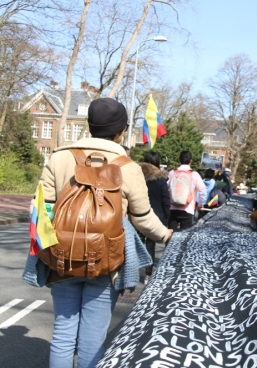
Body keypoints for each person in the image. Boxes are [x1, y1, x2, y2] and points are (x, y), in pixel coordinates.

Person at [39, 98, 173, 368]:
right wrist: (167, 236)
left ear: (90, 126)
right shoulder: (128, 167)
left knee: (63, 334)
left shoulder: (58, 157)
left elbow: (42, 210)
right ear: (121, 131)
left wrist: (49, 249)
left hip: (62, 258)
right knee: (92, 338)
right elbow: (143, 218)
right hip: (105, 262)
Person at [139, 151, 170, 284]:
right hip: (155, 218)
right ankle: (148, 275)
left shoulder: (137, 177)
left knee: (135, 245)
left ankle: (130, 274)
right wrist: (167, 218)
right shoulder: (161, 179)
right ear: (157, 162)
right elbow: (165, 200)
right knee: (150, 247)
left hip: (137, 214)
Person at [168, 151, 207, 231]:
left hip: (172, 208)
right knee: (184, 237)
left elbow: (166, 188)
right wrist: (200, 205)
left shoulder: (172, 173)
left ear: (179, 160)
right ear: (191, 161)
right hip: (187, 209)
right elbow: (203, 191)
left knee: (170, 234)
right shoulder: (194, 174)